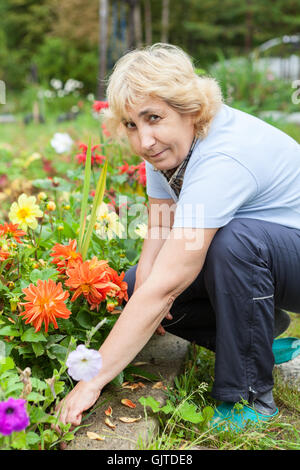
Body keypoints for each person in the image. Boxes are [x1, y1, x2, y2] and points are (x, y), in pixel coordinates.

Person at [56, 43, 300, 431]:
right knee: (139, 280)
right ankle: (259, 342)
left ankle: (249, 397)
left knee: (232, 242)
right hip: (273, 258)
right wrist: (140, 295)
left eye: (154, 117)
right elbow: (159, 233)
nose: (144, 141)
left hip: (292, 256)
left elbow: (169, 283)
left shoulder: (221, 157)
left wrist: (93, 379)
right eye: (132, 124)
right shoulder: (167, 150)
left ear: (190, 109)